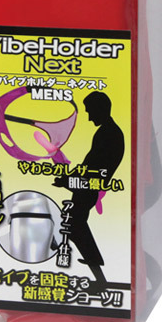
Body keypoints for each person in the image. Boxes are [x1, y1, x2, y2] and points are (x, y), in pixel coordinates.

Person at [53, 91, 124, 287]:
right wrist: (69, 179)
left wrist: (68, 180)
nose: (89, 117)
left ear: (100, 109)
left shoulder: (108, 134)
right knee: (74, 226)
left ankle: (100, 279)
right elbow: (89, 165)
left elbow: (92, 167)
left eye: (90, 111)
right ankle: (97, 273)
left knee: (75, 226)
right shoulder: (108, 132)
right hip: (87, 187)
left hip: (88, 189)